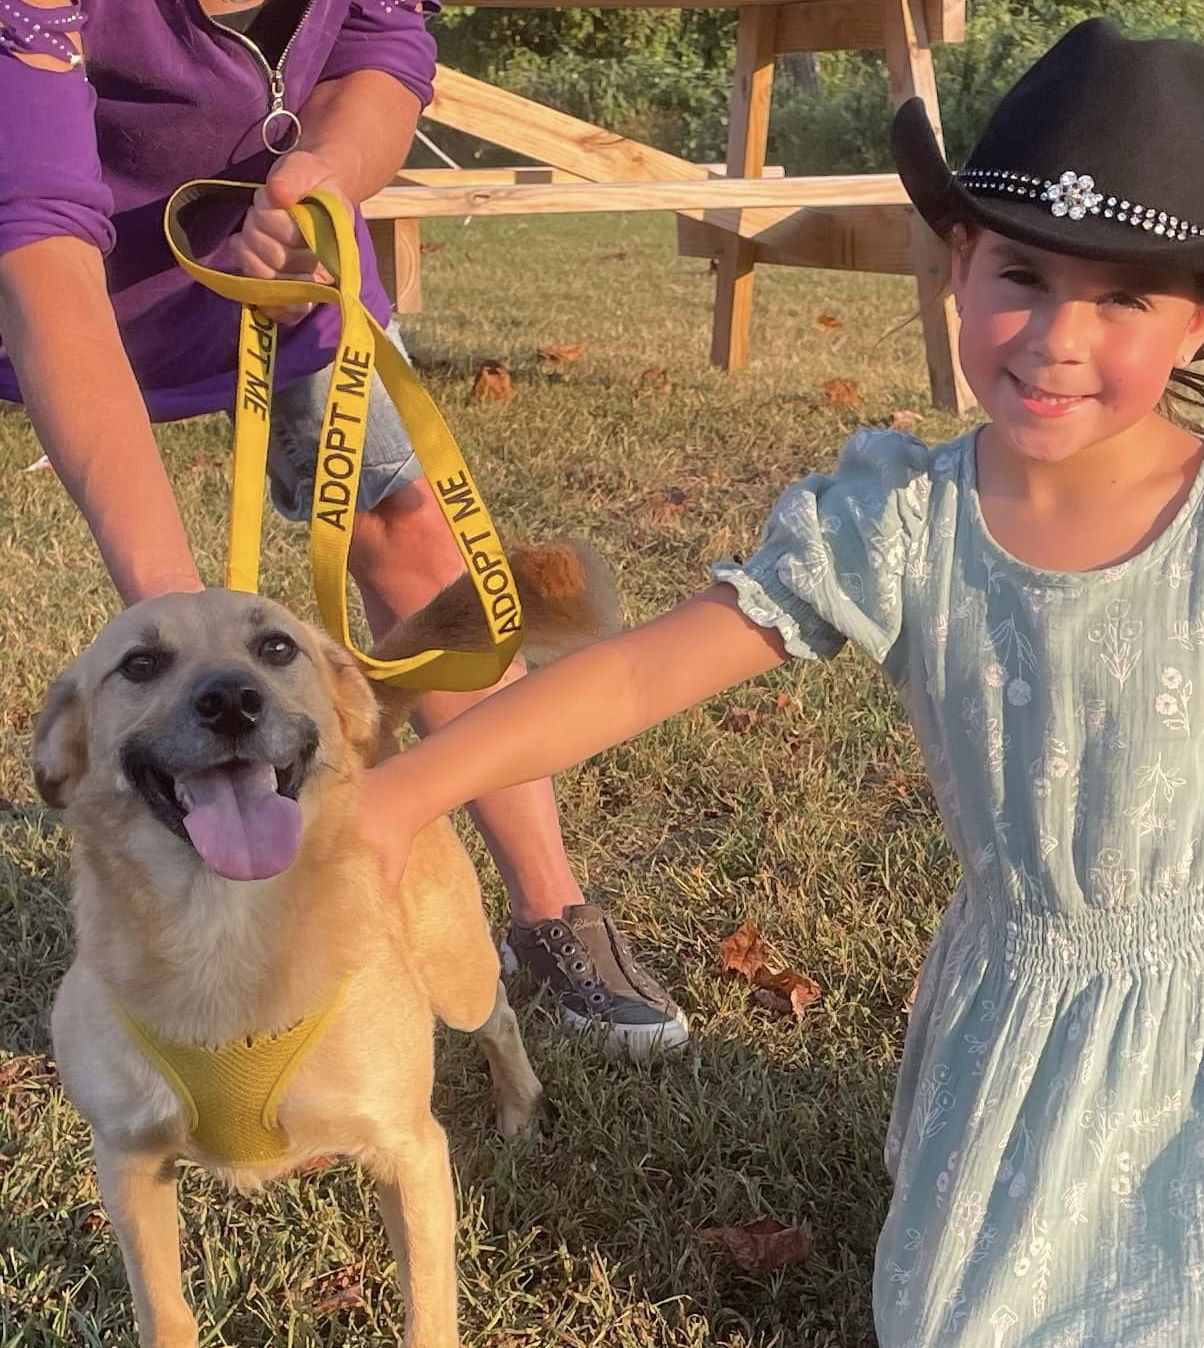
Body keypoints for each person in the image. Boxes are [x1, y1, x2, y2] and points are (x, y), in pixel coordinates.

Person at [353, 18, 1204, 1348]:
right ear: (954, 262)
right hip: (1021, 978)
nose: (1053, 338)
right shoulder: (901, 518)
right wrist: (399, 791)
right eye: (1021, 274)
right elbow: (651, 663)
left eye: (1122, 300)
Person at [0, 0, 688, 1058]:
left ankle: (551, 914)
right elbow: (39, 250)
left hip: (290, 259)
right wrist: (187, 628)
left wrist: (326, 171)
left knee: (410, 528)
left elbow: (381, 47)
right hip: (49, 272)